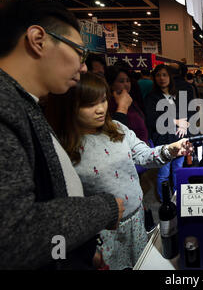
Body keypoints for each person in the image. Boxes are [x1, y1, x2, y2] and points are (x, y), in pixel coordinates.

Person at [0, 0, 124, 269]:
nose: (83, 66)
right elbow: (13, 235)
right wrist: (104, 208)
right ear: (38, 40)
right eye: (79, 53)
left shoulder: (24, 104)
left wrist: (78, 247)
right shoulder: (6, 106)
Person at [47, 72, 192, 269]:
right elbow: (64, 208)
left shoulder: (117, 128)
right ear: (71, 107)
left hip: (136, 219)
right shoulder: (63, 148)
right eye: (90, 105)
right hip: (102, 233)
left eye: (103, 100)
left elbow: (145, 155)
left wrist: (170, 149)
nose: (100, 109)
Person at [145, 64, 190, 200]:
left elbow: (187, 113)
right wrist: (176, 122)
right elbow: (153, 121)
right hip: (163, 140)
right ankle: (165, 201)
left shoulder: (178, 95)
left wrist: (184, 124)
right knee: (164, 173)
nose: (161, 78)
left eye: (164, 75)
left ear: (170, 77)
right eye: (158, 75)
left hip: (180, 138)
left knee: (178, 170)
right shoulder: (151, 98)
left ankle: (178, 198)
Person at [105, 65, 149, 144]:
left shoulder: (131, 100)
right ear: (111, 84)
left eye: (128, 81)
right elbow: (115, 132)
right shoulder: (108, 104)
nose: (126, 84)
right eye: (121, 81)